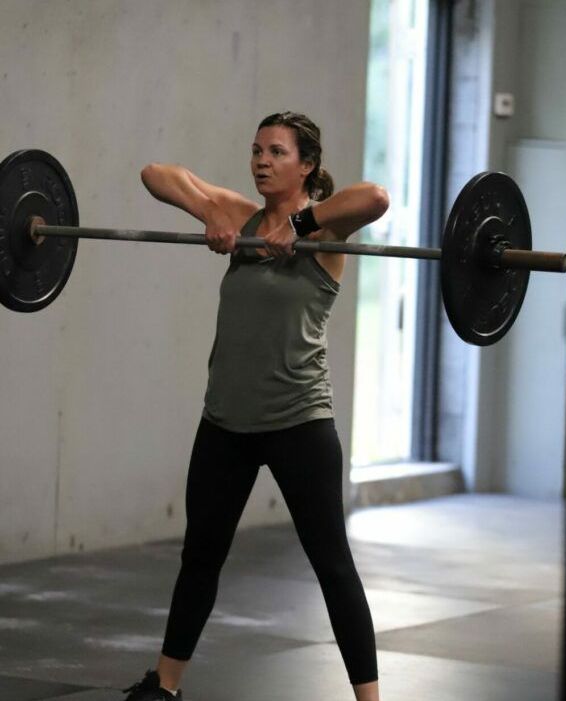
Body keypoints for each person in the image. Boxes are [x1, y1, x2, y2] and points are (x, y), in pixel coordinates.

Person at [123, 112, 389, 701]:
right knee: (201, 557)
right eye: (256, 150)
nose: (262, 160)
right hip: (225, 423)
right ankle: (164, 687)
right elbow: (155, 173)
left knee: (332, 566)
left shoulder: (325, 234)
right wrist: (209, 213)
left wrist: (302, 222)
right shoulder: (243, 216)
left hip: (299, 422)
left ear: (307, 165)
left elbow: (374, 198)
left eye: (276, 152)